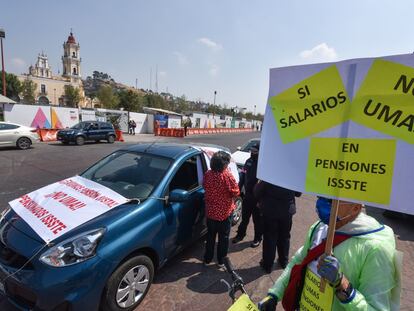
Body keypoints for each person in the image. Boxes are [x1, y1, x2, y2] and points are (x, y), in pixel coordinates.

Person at [258, 197, 400, 311]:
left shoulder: (376, 249)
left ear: (355, 207)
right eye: (322, 196)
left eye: (332, 201)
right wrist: (274, 294)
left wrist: (343, 286)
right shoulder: (320, 227)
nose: (321, 203)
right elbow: (298, 261)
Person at [254, 181, 301, 273]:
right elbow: (298, 193)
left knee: (269, 238)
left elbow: (257, 191)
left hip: (270, 210)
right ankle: (283, 261)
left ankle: (268, 265)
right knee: (285, 236)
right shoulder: (292, 175)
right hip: (286, 211)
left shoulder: (271, 174)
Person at [203, 151, 240, 268]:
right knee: (223, 239)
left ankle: (207, 259)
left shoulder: (208, 174)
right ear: (223, 165)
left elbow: (204, 185)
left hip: (211, 212)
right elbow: (236, 191)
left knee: (210, 237)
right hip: (224, 214)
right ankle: (220, 261)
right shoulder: (227, 176)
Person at [232, 142, 263, 247]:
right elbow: (243, 175)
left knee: (257, 220)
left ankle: (257, 238)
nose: (252, 153)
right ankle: (240, 234)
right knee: (244, 218)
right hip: (248, 195)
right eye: (252, 151)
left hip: (258, 198)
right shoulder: (248, 161)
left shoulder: (263, 164)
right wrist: (238, 190)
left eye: (255, 151)